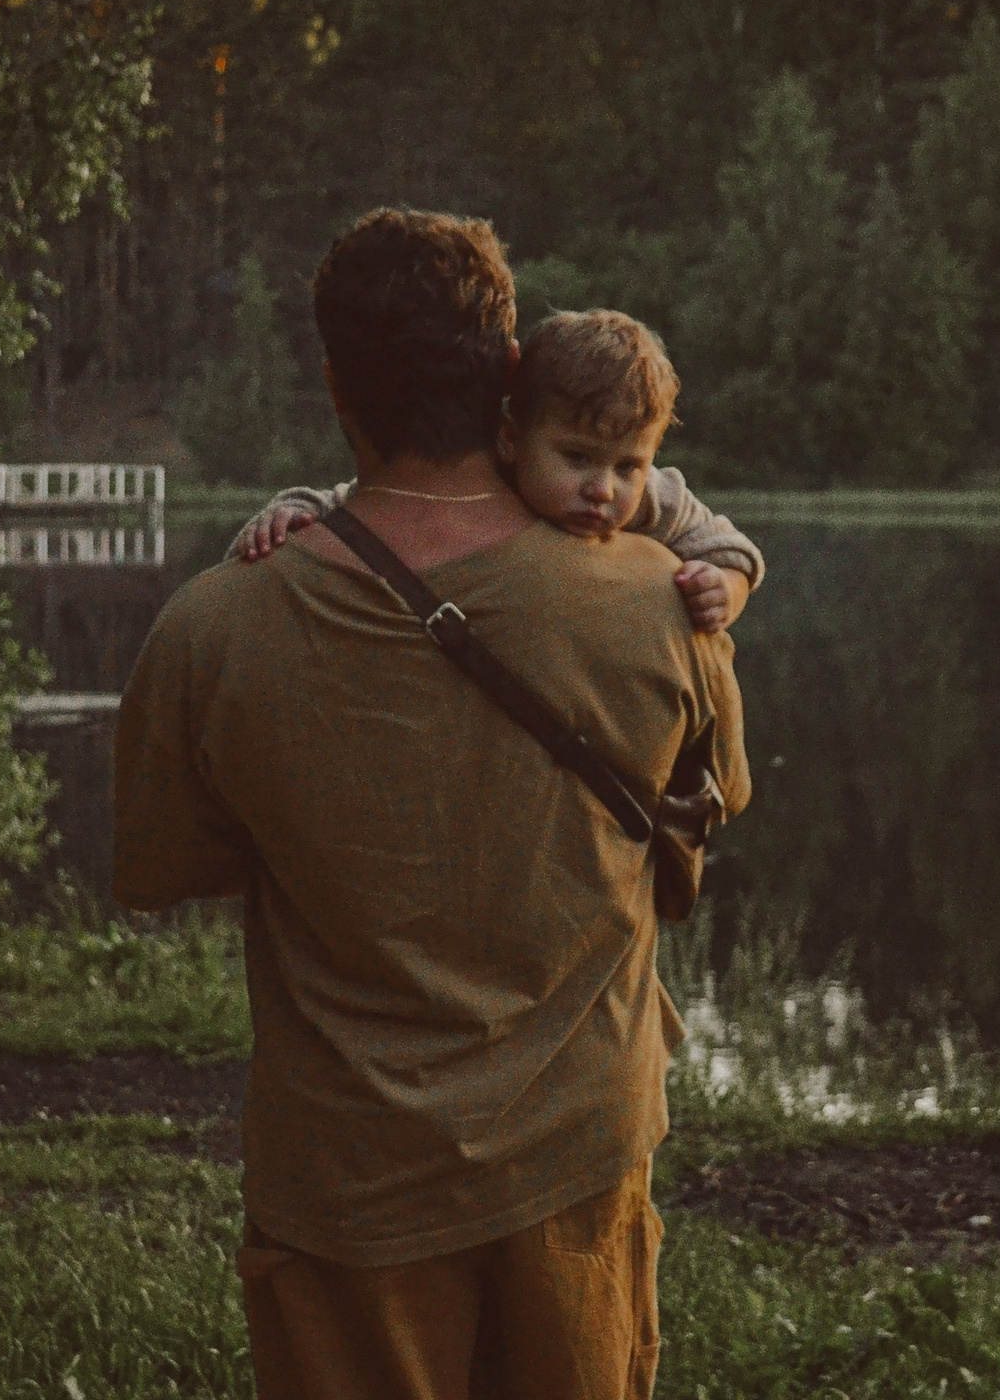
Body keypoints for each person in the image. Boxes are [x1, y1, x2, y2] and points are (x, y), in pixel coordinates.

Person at [113, 208, 749, 1400]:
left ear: (336, 385)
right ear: (510, 372)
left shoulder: (214, 622)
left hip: (345, 1175)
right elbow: (710, 807)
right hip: (576, 1150)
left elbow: (162, 867)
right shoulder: (667, 602)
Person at [228, 308, 762, 636]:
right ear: (511, 440)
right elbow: (360, 500)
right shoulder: (488, 482)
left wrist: (727, 590)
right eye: (576, 458)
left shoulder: (653, 499)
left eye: (628, 465)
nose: (602, 489)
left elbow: (728, 546)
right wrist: (296, 510)